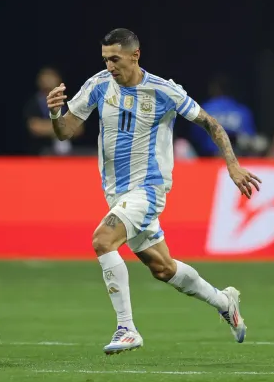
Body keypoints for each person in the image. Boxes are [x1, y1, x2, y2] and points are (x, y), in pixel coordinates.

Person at [46, 28, 261, 354]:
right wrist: (54, 113)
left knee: (102, 241)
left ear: (135, 55)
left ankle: (126, 328)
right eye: (105, 59)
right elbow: (65, 132)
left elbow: (211, 124)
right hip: (116, 193)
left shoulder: (163, 91)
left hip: (148, 189)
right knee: (163, 268)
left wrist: (232, 166)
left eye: (115, 59)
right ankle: (224, 301)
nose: (109, 67)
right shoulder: (98, 85)